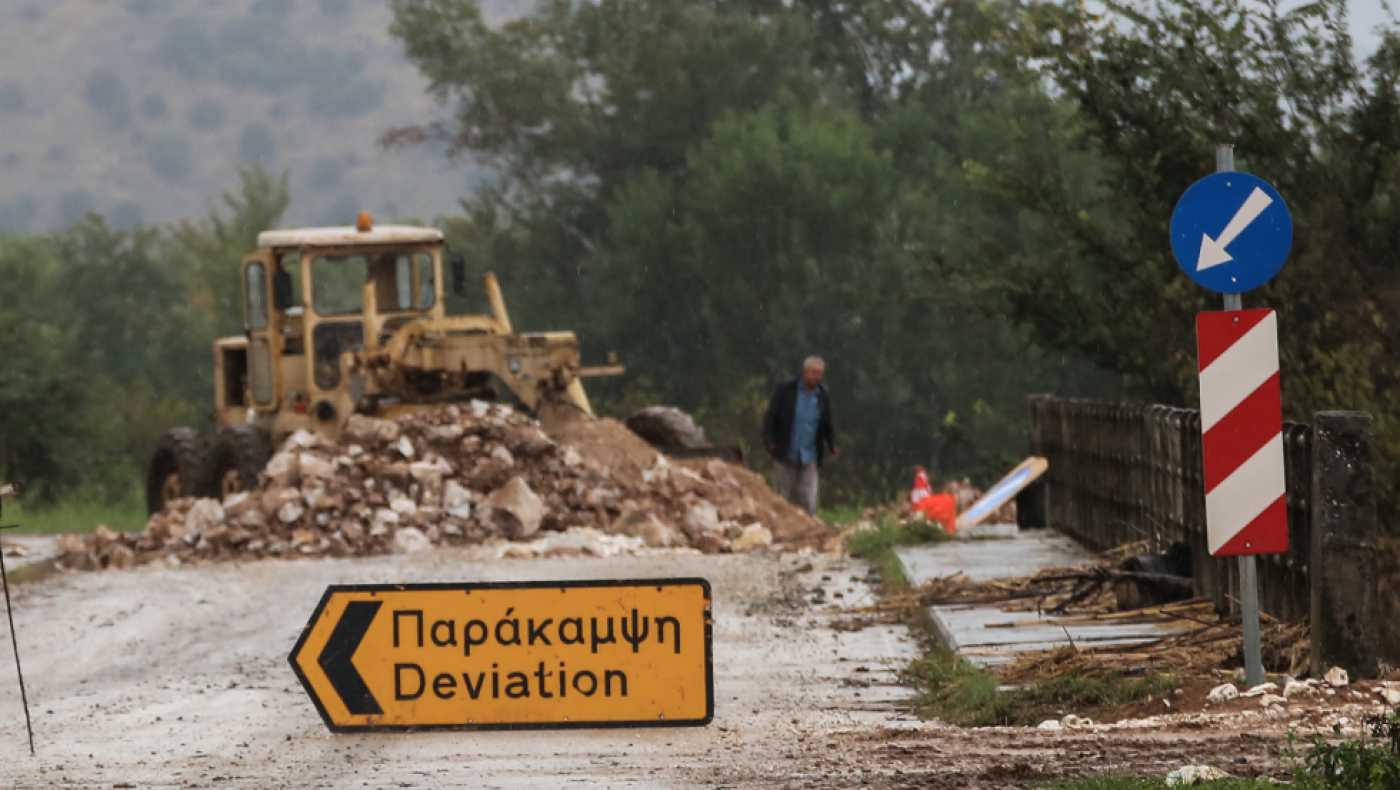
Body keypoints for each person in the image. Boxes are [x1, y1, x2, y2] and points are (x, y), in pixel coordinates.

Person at [762, 357, 838, 515]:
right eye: (814, 373)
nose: (817, 377)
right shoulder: (787, 391)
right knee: (783, 495)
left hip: (809, 453)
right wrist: (769, 439)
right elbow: (771, 415)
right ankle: (781, 524)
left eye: (820, 374)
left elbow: (827, 423)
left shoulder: (822, 395)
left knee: (808, 495)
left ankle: (810, 525)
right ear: (804, 372)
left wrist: (832, 444)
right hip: (786, 449)